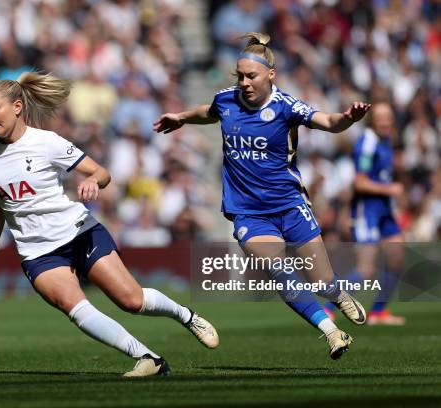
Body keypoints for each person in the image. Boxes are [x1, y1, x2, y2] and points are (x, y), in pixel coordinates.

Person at [0, 72, 219, 378]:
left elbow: (102, 173)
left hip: (78, 231)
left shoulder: (46, 142)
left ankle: (186, 315)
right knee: (74, 307)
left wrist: (91, 180)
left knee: (131, 300)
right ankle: (148, 358)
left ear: (18, 107)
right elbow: (0, 198)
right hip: (37, 251)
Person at [154, 32, 371, 360]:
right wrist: (181, 118)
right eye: (240, 76)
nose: (244, 82)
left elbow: (327, 121)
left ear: (270, 75)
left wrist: (348, 119)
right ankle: (331, 332)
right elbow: (208, 111)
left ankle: (337, 294)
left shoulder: (285, 106)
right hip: (248, 213)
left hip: (289, 205)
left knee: (323, 280)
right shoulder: (226, 100)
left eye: (251, 76)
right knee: (279, 268)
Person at [324, 102, 406, 325]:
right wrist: (391, 189)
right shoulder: (368, 142)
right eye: (380, 117)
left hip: (384, 209)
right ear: (372, 120)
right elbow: (359, 183)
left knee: (397, 257)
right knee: (366, 269)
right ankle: (329, 307)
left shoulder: (386, 140)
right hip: (367, 210)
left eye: (387, 117)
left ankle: (378, 312)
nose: (385, 121)